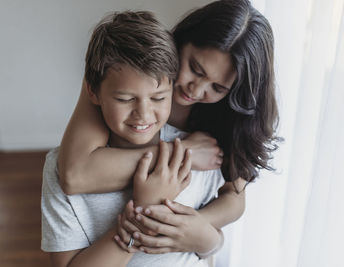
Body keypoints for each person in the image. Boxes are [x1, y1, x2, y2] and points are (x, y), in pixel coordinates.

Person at [57, 0, 280, 257]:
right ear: (182, 40)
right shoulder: (131, 75)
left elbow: (235, 198)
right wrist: (184, 153)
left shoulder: (231, 112)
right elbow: (75, 175)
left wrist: (192, 230)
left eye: (217, 88)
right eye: (195, 69)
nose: (195, 90)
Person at [41, 11, 224, 267]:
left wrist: (209, 240)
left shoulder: (199, 153)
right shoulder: (58, 169)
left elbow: (210, 247)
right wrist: (143, 209)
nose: (144, 114)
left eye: (159, 98)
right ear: (92, 92)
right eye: (125, 99)